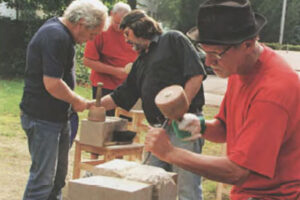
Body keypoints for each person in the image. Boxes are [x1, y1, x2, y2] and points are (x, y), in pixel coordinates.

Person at [144, 0, 300, 199]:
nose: (208, 62)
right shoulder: (239, 68)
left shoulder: (273, 91)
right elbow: (226, 128)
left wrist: (170, 153)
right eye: (205, 52)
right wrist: (198, 126)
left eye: (216, 53)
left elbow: (237, 171)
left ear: (248, 44)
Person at [99, 9, 207, 200]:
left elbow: (196, 74)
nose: (126, 40)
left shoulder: (173, 39)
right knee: (150, 184)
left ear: (139, 26)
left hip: (186, 122)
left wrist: (179, 107)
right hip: (157, 128)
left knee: (186, 188)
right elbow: (122, 95)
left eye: (127, 34)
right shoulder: (141, 60)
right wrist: (93, 104)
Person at [19, 0, 108, 199]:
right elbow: (52, 83)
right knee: (42, 182)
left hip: (58, 118)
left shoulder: (63, 35)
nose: (89, 40)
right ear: (82, 23)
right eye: (92, 34)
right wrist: (77, 100)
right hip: (42, 118)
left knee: (57, 180)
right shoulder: (55, 35)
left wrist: (74, 102)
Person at [83, 2, 137, 116]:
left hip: (127, 86)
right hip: (104, 86)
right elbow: (88, 61)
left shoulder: (135, 31)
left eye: (123, 24)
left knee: (125, 126)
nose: (119, 27)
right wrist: (116, 71)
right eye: (117, 22)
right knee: (103, 122)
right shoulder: (101, 30)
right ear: (111, 14)